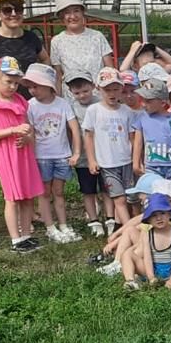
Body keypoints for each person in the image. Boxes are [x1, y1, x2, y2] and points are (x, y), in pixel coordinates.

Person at [0, 57, 45, 253]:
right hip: (6, 154)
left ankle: (26, 235)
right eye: (8, 81)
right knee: (12, 197)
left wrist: (27, 137)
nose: (13, 86)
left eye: (16, 83)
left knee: (27, 196)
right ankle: (15, 239)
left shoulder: (20, 101)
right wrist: (13, 131)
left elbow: (28, 127)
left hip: (23, 152)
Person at [22, 63, 82, 244]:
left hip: (62, 155)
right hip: (41, 157)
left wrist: (76, 152)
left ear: (49, 85)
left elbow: (74, 129)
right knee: (44, 193)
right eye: (30, 87)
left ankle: (63, 224)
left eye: (36, 86)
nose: (32, 90)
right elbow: (30, 131)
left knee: (59, 192)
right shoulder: (30, 106)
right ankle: (50, 227)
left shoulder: (62, 104)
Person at [82, 67, 138, 231]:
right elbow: (89, 136)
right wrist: (92, 160)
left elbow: (132, 137)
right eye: (107, 90)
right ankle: (129, 231)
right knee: (118, 199)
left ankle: (130, 225)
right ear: (98, 89)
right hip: (107, 164)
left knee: (132, 197)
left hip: (126, 161)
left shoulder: (127, 111)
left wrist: (136, 159)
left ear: (121, 88)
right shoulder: (94, 110)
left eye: (115, 89)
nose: (112, 94)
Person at [0, 0, 47, 98]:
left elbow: (45, 59)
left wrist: (42, 81)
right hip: (4, 104)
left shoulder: (31, 38)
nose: (14, 14)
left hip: (32, 103)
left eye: (18, 9)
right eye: (7, 10)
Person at [48, 0, 114, 99]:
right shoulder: (57, 41)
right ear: (61, 17)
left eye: (76, 11)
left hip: (99, 99)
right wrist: (58, 103)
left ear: (82, 13)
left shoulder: (97, 37)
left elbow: (110, 69)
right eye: (67, 13)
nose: (72, 16)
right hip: (72, 101)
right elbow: (58, 76)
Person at [65, 71, 105, 236]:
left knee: (106, 188)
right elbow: (70, 131)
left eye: (85, 91)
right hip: (82, 157)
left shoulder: (101, 102)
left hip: (103, 154)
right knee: (88, 190)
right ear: (71, 92)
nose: (82, 95)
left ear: (93, 87)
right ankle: (93, 219)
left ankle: (110, 217)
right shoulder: (71, 107)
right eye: (77, 93)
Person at [120, 193, 171, 290]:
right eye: (154, 215)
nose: (159, 218)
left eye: (162, 213)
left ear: (169, 214)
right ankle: (131, 281)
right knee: (127, 255)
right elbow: (147, 257)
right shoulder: (147, 234)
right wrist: (151, 277)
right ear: (148, 219)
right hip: (152, 268)